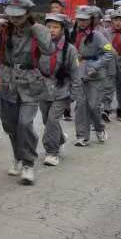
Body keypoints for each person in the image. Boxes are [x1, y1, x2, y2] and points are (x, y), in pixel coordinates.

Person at [0, 0, 53, 185]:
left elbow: (49, 50)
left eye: (19, 15)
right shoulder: (3, 29)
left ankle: (28, 163)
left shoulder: (36, 30)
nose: (14, 19)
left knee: (25, 123)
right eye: (11, 15)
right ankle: (18, 156)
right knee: (10, 125)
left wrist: (37, 29)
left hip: (29, 83)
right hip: (8, 82)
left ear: (28, 14)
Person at [71, 5, 114, 146]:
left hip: (95, 74)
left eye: (85, 20)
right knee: (80, 105)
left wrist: (95, 66)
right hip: (78, 72)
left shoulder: (97, 35)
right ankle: (82, 136)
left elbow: (109, 53)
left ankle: (99, 128)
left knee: (93, 105)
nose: (82, 22)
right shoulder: (72, 33)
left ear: (91, 20)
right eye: (79, 19)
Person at [39, 12, 77, 165]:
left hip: (62, 90)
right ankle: (59, 138)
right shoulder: (40, 46)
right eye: (48, 27)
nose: (51, 30)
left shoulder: (70, 50)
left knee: (52, 120)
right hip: (43, 89)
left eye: (55, 27)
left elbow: (75, 73)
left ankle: (52, 152)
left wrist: (74, 93)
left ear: (63, 29)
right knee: (45, 120)